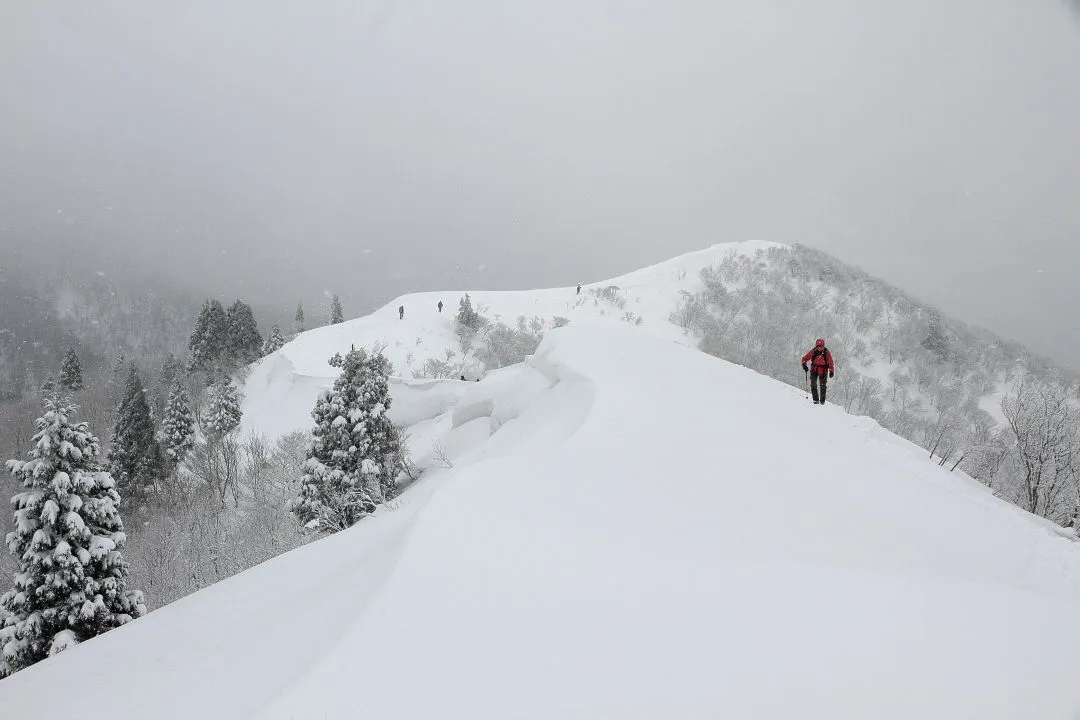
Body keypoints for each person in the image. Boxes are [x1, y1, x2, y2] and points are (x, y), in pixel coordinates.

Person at [801, 338, 835, 405]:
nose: (819, 348)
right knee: (813, 384)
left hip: (823, 370)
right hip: (814, 369)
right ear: (816, 346)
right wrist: (804, 364)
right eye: (818, 346)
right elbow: (805, 358)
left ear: (823, 346)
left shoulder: (826, 352)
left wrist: (831, 370)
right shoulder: (813, 351)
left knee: (823, 386)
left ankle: (822, 402)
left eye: (821, 346)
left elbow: (830, 362)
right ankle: (815, 400)